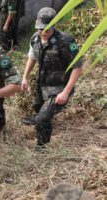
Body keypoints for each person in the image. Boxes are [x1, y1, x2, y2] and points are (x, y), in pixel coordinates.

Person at [21, 7, 83, 149]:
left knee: (43, 118)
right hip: (42, 84)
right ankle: (38, 119)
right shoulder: (35, 39)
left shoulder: (65, 41)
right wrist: (25, 77)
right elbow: (32, 57)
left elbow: (77, 67)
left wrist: (66, 92)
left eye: (47, 30)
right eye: (40, 29)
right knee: (37, 109)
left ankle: (42, 146)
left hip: (59, 88)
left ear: (54, 25)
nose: (43, 32)